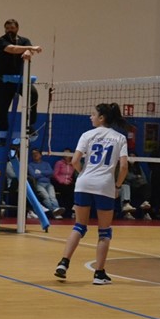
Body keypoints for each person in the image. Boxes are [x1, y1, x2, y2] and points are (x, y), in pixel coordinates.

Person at [54, 103, 131, 285]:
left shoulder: (87, 135)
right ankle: (99, 274)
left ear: (102, 118)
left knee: (79, 226)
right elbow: (124, 167)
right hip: (104, 185)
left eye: (93, 114)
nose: (90, 117)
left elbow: (74, 161)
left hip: (83, 183)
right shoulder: (119, 138)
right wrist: (117, 186)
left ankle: (63, 263)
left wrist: (83, 175)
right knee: (104, 231)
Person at [0, 19, 43, 139]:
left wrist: (28, 51)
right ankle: (3, 133)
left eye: (12, 28)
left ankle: (29, 125)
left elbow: (28, 50)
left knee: (33, 94)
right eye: (7, 28)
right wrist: (31, 47)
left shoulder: (24, 40)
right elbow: (12, 49)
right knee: (2, 106)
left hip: (19, 79)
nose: (9, 30)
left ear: (17, 28)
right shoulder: (1, 40)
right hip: (3, 79)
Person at [28, 149, 65, 218]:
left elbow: (51, 172)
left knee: (52, 197)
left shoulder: (46, 164)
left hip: (48, 183)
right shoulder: (30, 165)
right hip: (39, 184)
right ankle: (53, 212)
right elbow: (34, 175)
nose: (35, 155)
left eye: (37, 153)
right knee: (46, 197)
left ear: (40, 155)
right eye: (33, 154)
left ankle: (56, 211)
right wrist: (45, 173)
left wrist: (40, 172)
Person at [119, 152, 152, 220]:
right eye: (130, 156)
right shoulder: (125, 166)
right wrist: (136, 177)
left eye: (134, 156)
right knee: (125, 187)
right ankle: (127, 213)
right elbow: (127, 176)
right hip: (128, 186)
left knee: (146, 186)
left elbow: (143, 178)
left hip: (137, 186)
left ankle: (146, 207)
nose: (132, 158)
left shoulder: (138, 167)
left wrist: (139, 180)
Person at [52, 148, 76, 218]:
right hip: (59, 183)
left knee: (73, 190)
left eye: (68, 153)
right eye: (64, 153)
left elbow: (72, 175)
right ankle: (66, 212)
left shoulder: (73, 164)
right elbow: (55, 174)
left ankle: (72, 210)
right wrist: (62, 181)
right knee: (67, 192)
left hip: (69, 183)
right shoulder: (59, 163)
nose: (66, 155)